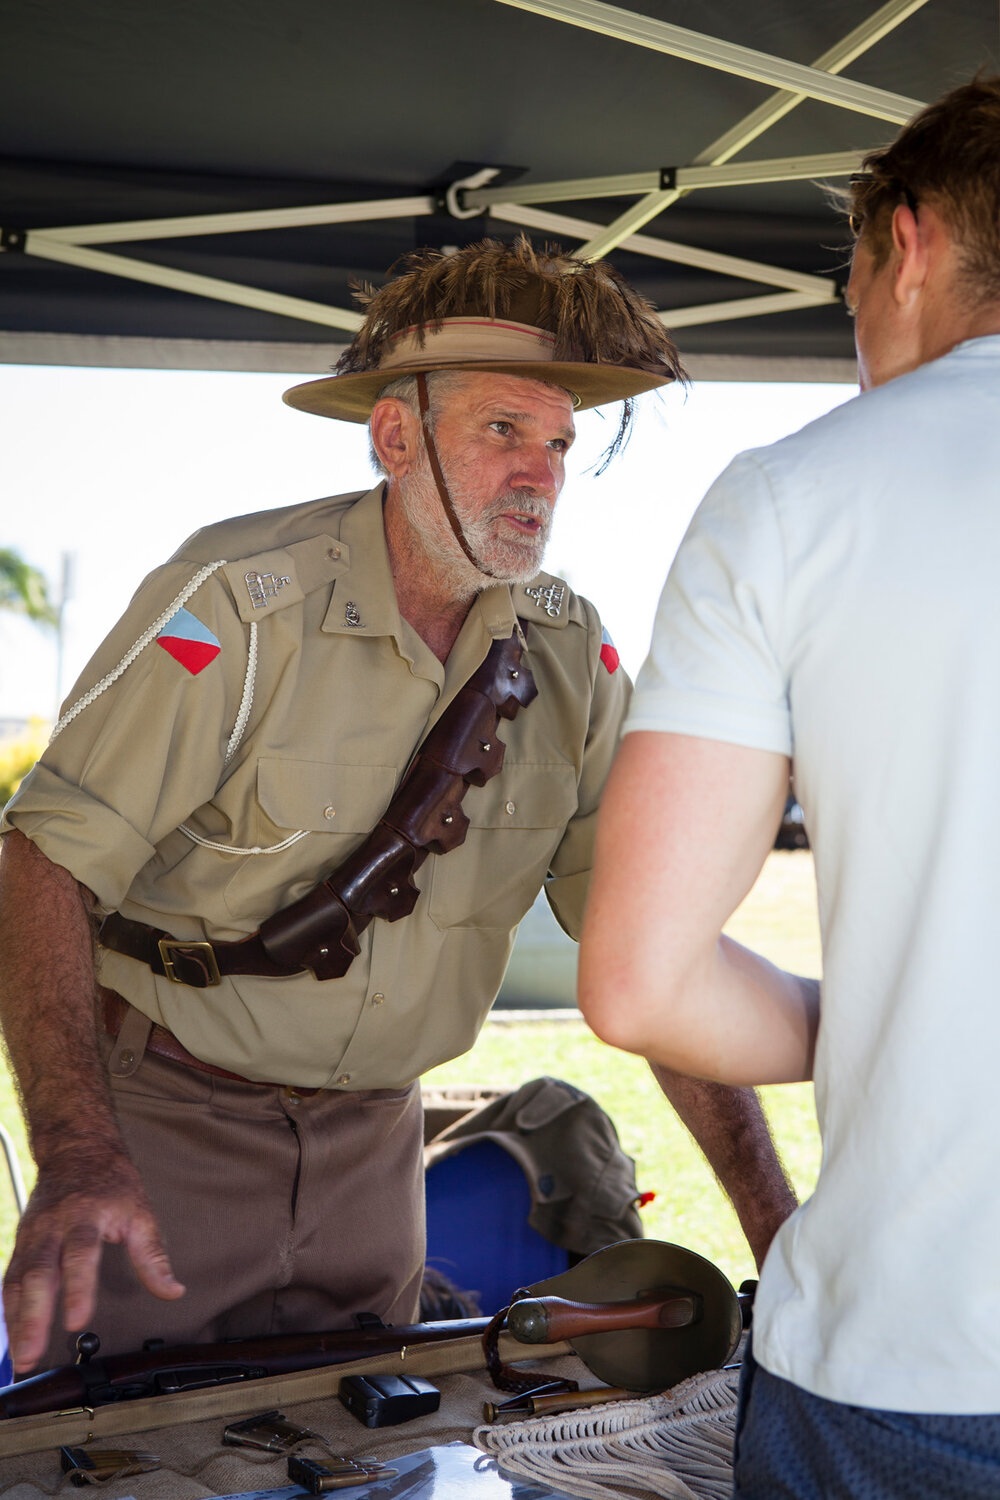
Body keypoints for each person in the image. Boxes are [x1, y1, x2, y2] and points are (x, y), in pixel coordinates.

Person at [0, 237, 795, 1377]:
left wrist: (773, 1220)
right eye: (501, 433)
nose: (540, 474)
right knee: (124, 1444)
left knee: (369, 1441)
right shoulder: (239, 604)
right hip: (169, 1121)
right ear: (396, 438)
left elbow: (648, 945)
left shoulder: (569, 652)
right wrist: (78, 1153)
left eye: (559, 444)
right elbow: (45, 861)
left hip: (376, 1142)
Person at [578, 76, 1000, 1498]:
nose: (860, 330)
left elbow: (638, 982)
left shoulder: (796, 500)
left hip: (915, 1366)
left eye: (853, 286)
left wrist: (865, 1023)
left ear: (914, 238)